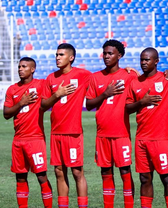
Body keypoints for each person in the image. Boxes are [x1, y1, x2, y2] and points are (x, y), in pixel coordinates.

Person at [125, 47, 168, 208]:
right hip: (141, 139)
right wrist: (142, 102)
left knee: (166, 177)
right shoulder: (135, 83)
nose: (143, 63)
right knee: (144, 178)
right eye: (142, 59)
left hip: (161, 139)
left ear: (156, 61)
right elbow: (127, 108)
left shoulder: (167, 79)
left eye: (147, 59)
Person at [85, 40, 138, 208]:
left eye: (110, 53)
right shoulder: (95, 77)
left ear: (119, 55)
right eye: (105, 53)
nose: (106, 56)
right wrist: (105, 94)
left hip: (121, 134)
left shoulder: (130, 76)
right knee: (105, 172)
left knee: (125, 172)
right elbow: (89, 105)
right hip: (102, 135)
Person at [41, 43, 91, 208]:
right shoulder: (51, 78)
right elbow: (43, 105)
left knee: (77, 172)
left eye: (61, 55)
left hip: (73, 132)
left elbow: (104, 77)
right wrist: (57, 94)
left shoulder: (83, 75)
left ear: (71, 57)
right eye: (56, 54)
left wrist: (126, 69)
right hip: (56, 133)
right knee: (59, 171)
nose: (57, 57)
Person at [4, 57, 53, 208]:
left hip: (35, 139)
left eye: (24, 66)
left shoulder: (40, 84)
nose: (20, 69)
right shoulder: (12, 89)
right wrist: (21, 103)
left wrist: (127, 71)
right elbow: (6, 114)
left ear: (32, 69)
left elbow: (59, 79)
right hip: (18, 140)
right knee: (20, 178)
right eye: (19, 66)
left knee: (41, 176)